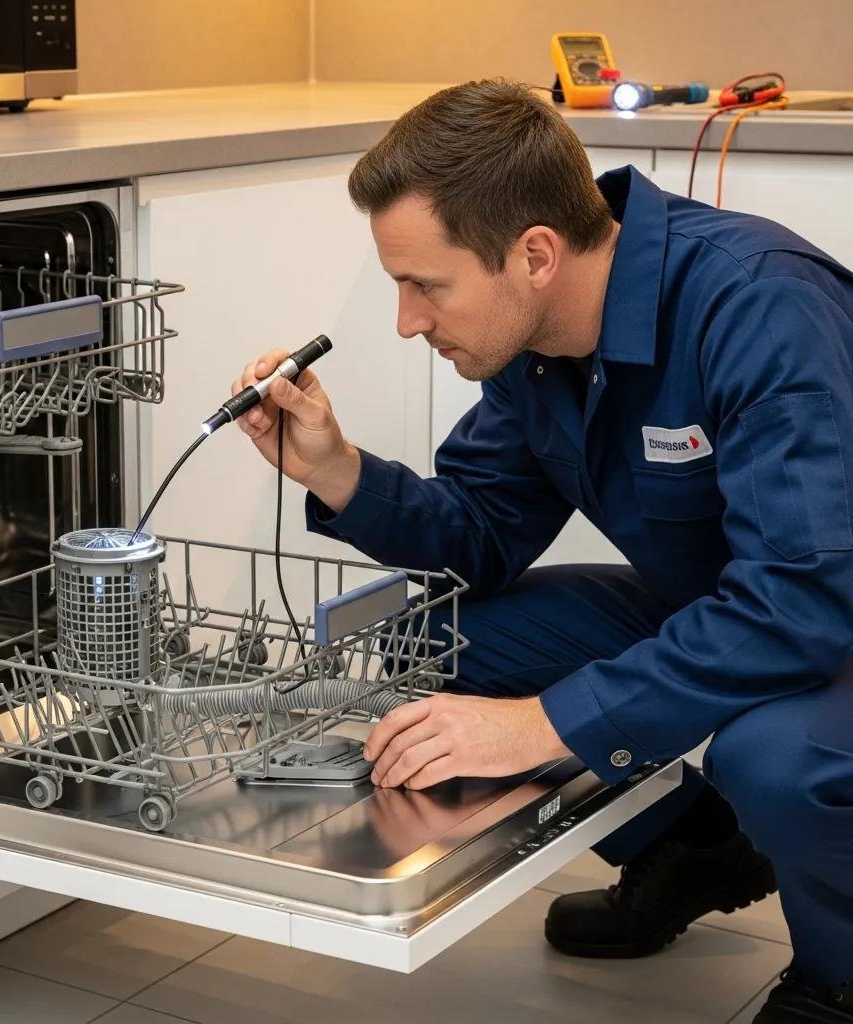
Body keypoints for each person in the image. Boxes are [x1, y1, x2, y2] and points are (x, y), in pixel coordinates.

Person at [230, 80, 853, 1023]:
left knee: (776, 758)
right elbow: (478, 534)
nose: (406, 320)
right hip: (744, 604)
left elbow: (803, 603)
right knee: (441, 642)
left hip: (827, 616)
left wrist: (542, 726)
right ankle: (691, 849)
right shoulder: (542, 348)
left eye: (425, 285)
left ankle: (837, 974)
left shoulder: (757, 307)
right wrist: (337, 471)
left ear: (533, 255)